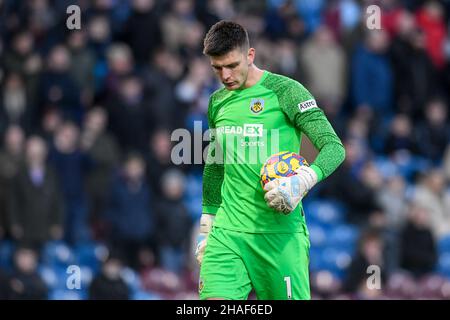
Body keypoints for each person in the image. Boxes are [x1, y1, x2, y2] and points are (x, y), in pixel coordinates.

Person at [196, 21, 345, 300]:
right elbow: (215, 164)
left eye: (232, 65)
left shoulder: (286, 91)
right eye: (217, 68)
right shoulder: (217, 102)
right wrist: (207, 226)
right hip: (229, 234)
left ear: (250, 55)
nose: (225, 75)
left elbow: (334, 147)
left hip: (279, 234)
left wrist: (304, 180)